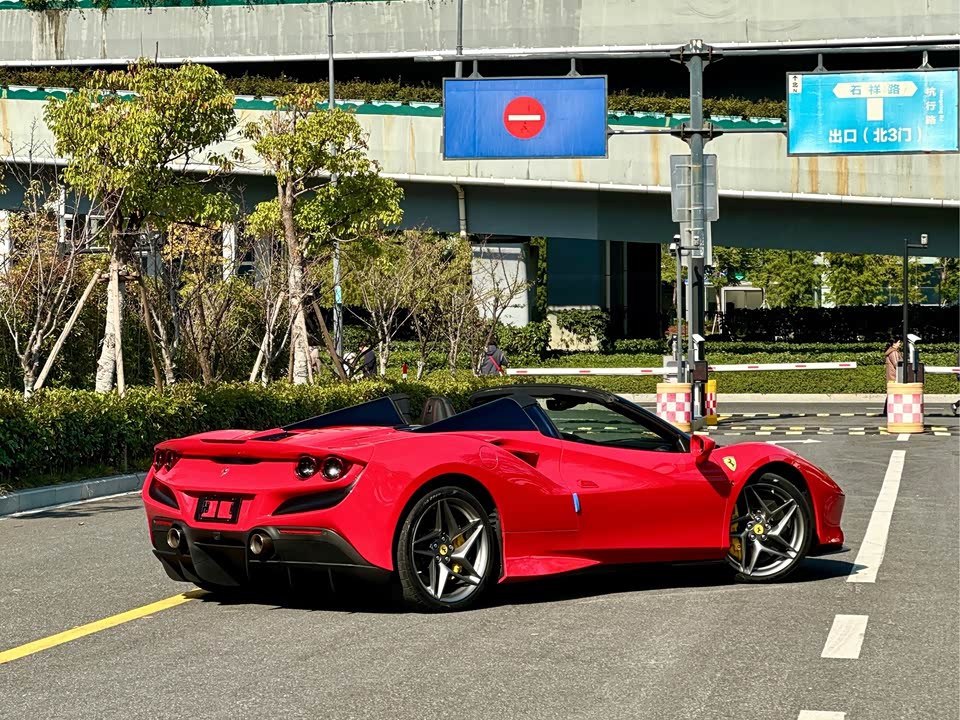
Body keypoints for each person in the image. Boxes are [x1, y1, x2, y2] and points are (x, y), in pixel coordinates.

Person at [883, 338, 902, 417]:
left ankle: (886, 410)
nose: (900, 344)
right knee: (893, 393)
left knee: (891, 393)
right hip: (894, 376)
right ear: (894, 343)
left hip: (891, 375)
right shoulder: (893, 352)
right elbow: (896, 364)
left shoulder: (891, 351)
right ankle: (888, 410)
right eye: (899, 342)